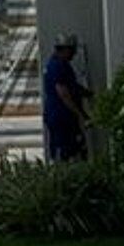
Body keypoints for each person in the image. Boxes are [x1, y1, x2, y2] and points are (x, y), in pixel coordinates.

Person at [41, 34, 92, 162]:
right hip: (62, 116)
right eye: (72, 51)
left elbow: (71, 86)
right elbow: (63, 93)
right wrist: (81, 114)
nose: (73, 55)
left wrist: (87, 93)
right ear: (65, 49)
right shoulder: (58, 66)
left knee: (73, 147)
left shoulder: (59, 65)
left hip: (60, 116)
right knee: (66, 150)